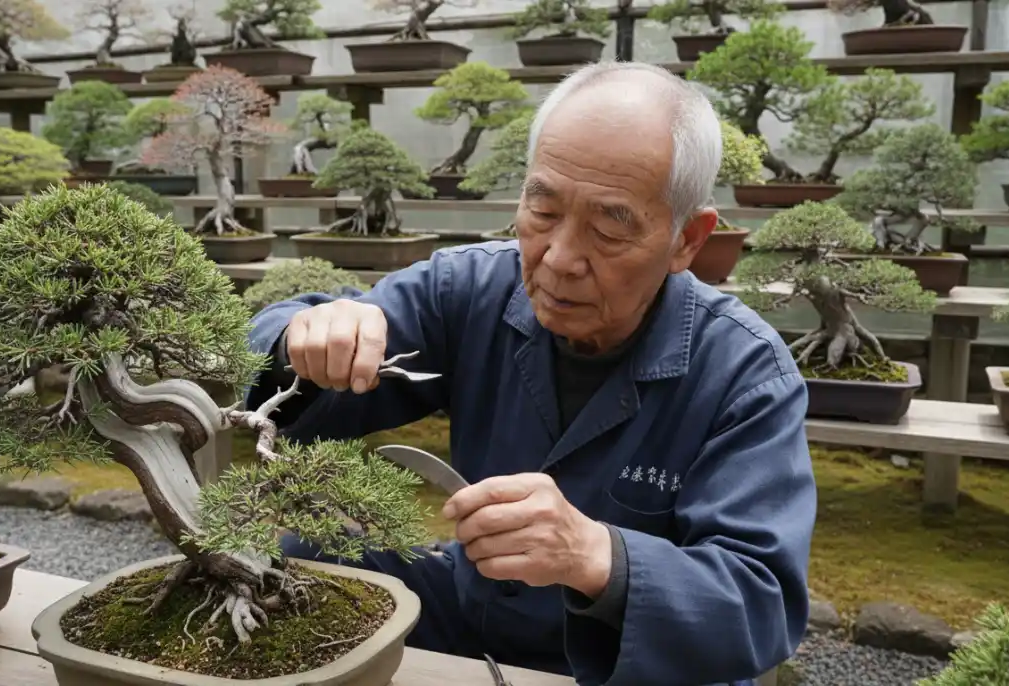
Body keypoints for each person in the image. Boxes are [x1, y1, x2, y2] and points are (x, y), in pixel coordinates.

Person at [245, 61, 817, 686]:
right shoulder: (471, 290)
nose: (562, 258)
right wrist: (305, 334)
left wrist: (596, 555)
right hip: (476, 606)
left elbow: (761, 606)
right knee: (312, 554)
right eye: (542, 212)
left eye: (608, 227)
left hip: (632, 659)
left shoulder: (744, 371)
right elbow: (268, 346)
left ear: (688, 239)